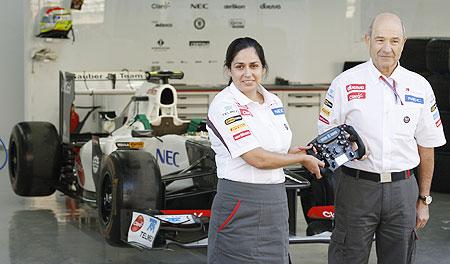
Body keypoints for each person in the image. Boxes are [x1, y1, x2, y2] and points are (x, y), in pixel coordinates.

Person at [319, 13, 446, 264]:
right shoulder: (345, 83)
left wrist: (424, 199)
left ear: (403, 43)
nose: (387, 48)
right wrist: (350, 145)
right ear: (367, 40)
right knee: (347, 257)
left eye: (394, 41)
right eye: (379, 39)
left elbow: (427, 147)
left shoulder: (419, 86)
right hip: (356, 188)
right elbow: (324, 136)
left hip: (402, 190)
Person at [206, 37, 324, 263]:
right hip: (239, 204)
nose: (247, 73)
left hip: (275, 203)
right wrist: (299, 158)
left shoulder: (273, 102)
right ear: (228, 70)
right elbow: (255, 158)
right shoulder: (224, 105)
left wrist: (292, 152)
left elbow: (271, 148)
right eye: (239, 66)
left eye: (254, 66)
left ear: (264, 68)